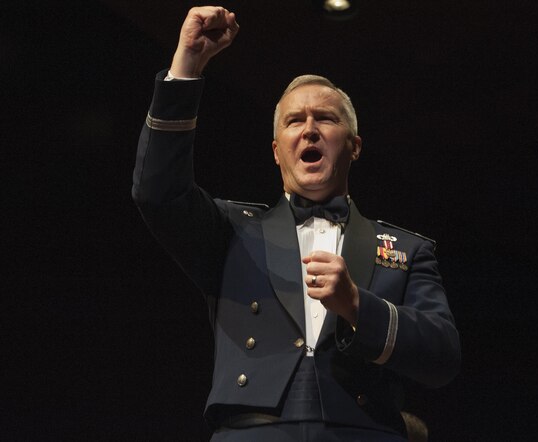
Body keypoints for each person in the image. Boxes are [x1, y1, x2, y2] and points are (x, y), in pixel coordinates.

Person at [131, 6, 460, 442]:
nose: (309, 130)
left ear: (355, 146)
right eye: (294, 121)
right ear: (275, 150)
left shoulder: (406, 249)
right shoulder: (233, 232)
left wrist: (358, 306)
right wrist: (186, 66)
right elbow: (157, 192)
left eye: (325, 118)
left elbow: (442, 357)